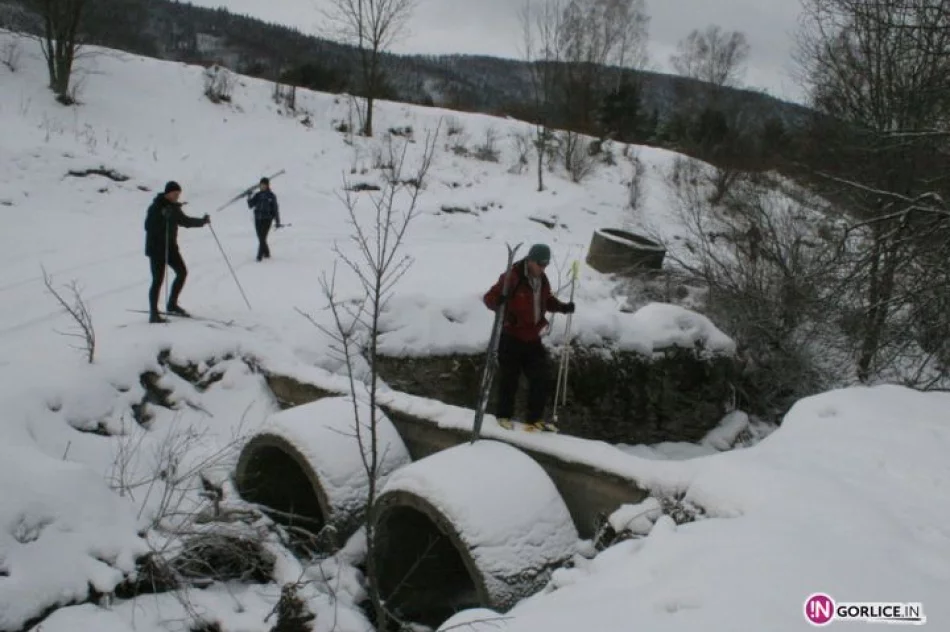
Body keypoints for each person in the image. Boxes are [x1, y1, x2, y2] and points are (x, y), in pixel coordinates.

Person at [482, 243, 575, 431]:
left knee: (540, 377)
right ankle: (503, 416)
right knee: (510, 378)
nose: (543, 268)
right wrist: (499, 304)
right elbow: (489, 298)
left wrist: (562, 307)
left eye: (546, 265)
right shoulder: (512, 276)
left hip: (532, 338)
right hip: (511, 336)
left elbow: (546, 300)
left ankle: (533, 419)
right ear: (530, 260)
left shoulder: (542, 280)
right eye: (540, 264)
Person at [144, 181, 210, 323]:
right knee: (157, 280)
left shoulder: (174, 208)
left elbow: (185, 221)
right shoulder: (155, 207)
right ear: (167, 193)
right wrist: (163, 217)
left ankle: (172, 304)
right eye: (175, 194)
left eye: (178, 195)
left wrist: (202, 222)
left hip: (171, 248)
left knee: (182, 272)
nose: (177, 197)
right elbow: (148, 226)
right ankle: (153, 314)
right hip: (156, 249)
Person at [246, 177, 282, 261]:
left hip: (267, 219)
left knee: (262, 237)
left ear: (267, 185)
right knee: (260, 237)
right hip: (258, 219)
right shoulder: (257, 195)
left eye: (264, 185)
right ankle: (266, 252)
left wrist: (277, 221)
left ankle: (259, 256)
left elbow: (275, 209)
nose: (262, 187)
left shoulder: (271, 196)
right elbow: (250, 205)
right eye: (261, 185)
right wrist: (249, 196)